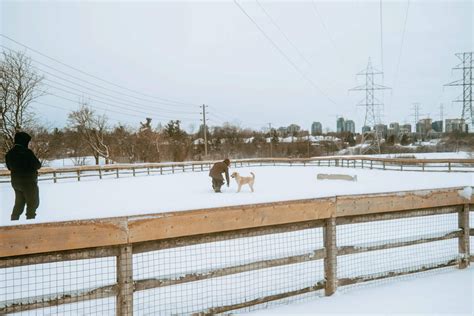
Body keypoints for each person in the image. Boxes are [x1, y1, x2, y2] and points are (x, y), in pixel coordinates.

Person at [5, 132, 41, 220]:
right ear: (24, 141)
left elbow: (9, 167)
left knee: (19, 203)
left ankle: (13, 222)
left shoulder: (9, 154)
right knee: (32, 203)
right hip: (29, 182)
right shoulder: (27, 152)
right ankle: (30, 223)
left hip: (16, 183)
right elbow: (37, 165)